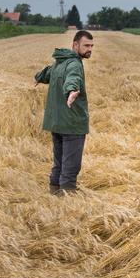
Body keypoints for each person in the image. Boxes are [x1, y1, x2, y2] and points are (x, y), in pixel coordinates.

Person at [34, 30, 94, 195]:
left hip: (57, 122)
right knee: (71, 164)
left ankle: (54, 192)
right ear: (75, 45)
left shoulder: (60, 62)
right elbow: (73, 79)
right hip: (71, 122)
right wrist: (72, 91)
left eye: (91, 46)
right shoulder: (74, 64)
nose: (90, 49)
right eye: (86, 45)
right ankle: (66, 198)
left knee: (59, 162)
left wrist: (38, 77)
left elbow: (47, 73)